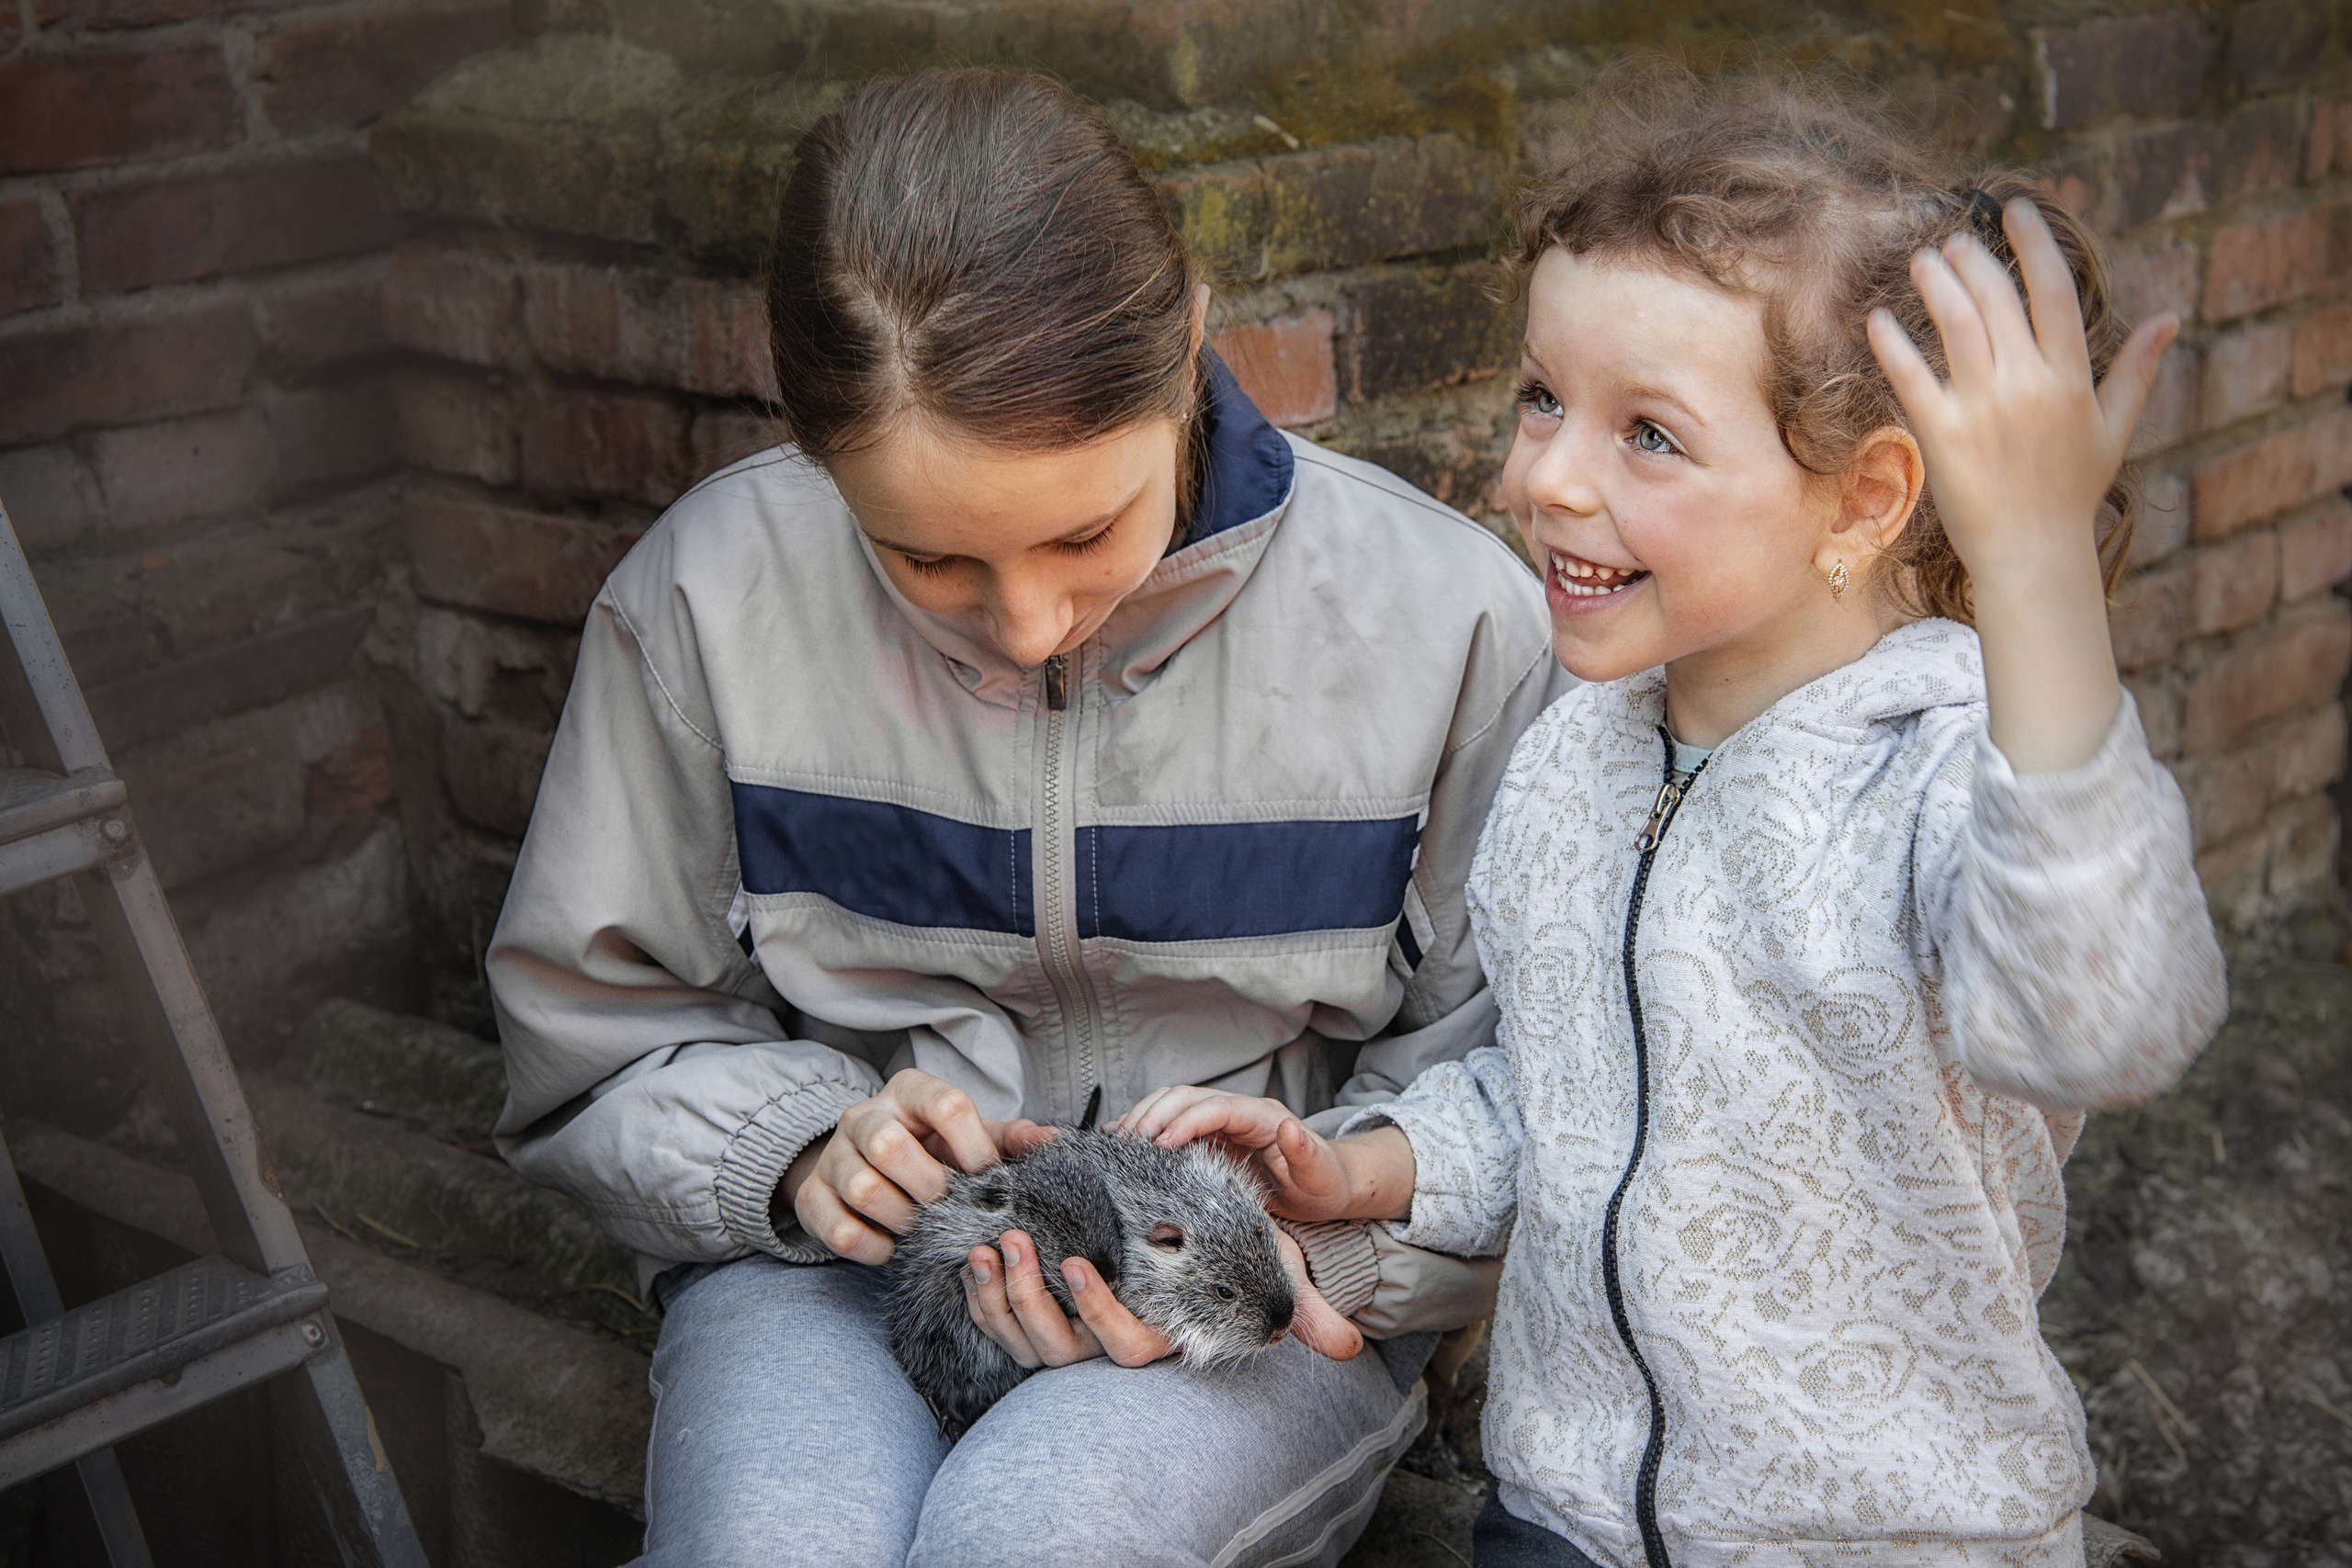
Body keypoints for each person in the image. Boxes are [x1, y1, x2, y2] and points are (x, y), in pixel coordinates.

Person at [1117, 71, 2229, 1568]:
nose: (1547, 477)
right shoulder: (1574, 754)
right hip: (1567, 1518)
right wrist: (1368, 1165)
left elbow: (2103, 1026)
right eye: (1543, 398)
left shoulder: (1958, 767)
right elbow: (1565, 1099)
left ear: (1863, 501)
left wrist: (2043, 582)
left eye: (1649, 434)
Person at [482, 68, 1565, 1568]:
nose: (1033, 624)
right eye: (927, 561)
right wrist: (799, 1154)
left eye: (1085, 531)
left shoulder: (1456, 622)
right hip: (836, 1277)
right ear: (815, 448)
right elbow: (590, 1038)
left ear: (1187, 345)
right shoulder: (703, 595)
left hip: (1253, 1299)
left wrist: (1296, 1238)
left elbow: (1520, 1078)